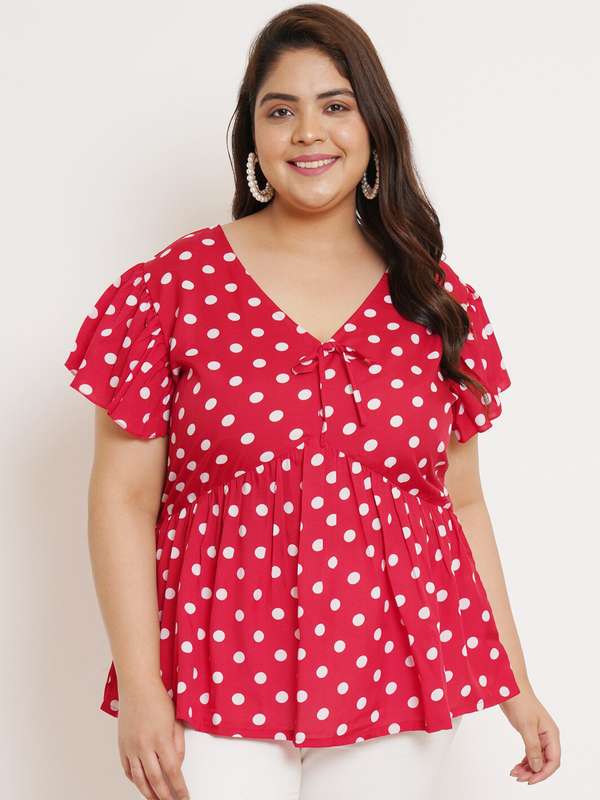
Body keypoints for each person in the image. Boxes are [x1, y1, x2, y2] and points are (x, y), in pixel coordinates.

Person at [63, 4, 561, 798]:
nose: (307, 133)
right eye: (280, 110)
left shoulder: (432, 298)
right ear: (252, 135)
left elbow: (460, 503)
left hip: (395, 665)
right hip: (212, 667)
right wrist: (143, 691)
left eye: (335, 106)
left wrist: (517, 686)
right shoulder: (172, 288)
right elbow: (121, 498)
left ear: (373, 128)